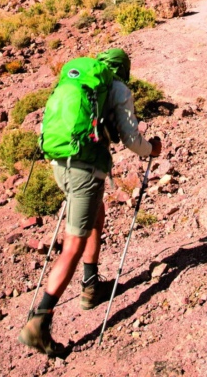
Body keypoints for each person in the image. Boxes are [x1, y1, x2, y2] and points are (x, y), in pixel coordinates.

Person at [18, 48, 161, 357]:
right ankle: (39, 322)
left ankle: (91, 285)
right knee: (73, 245)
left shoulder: (83, 82)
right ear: (123, 69)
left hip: (60, 162)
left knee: (98, 214)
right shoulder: (118, 88)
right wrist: (152, 150)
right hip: (85, 169)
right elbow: (131, 140)